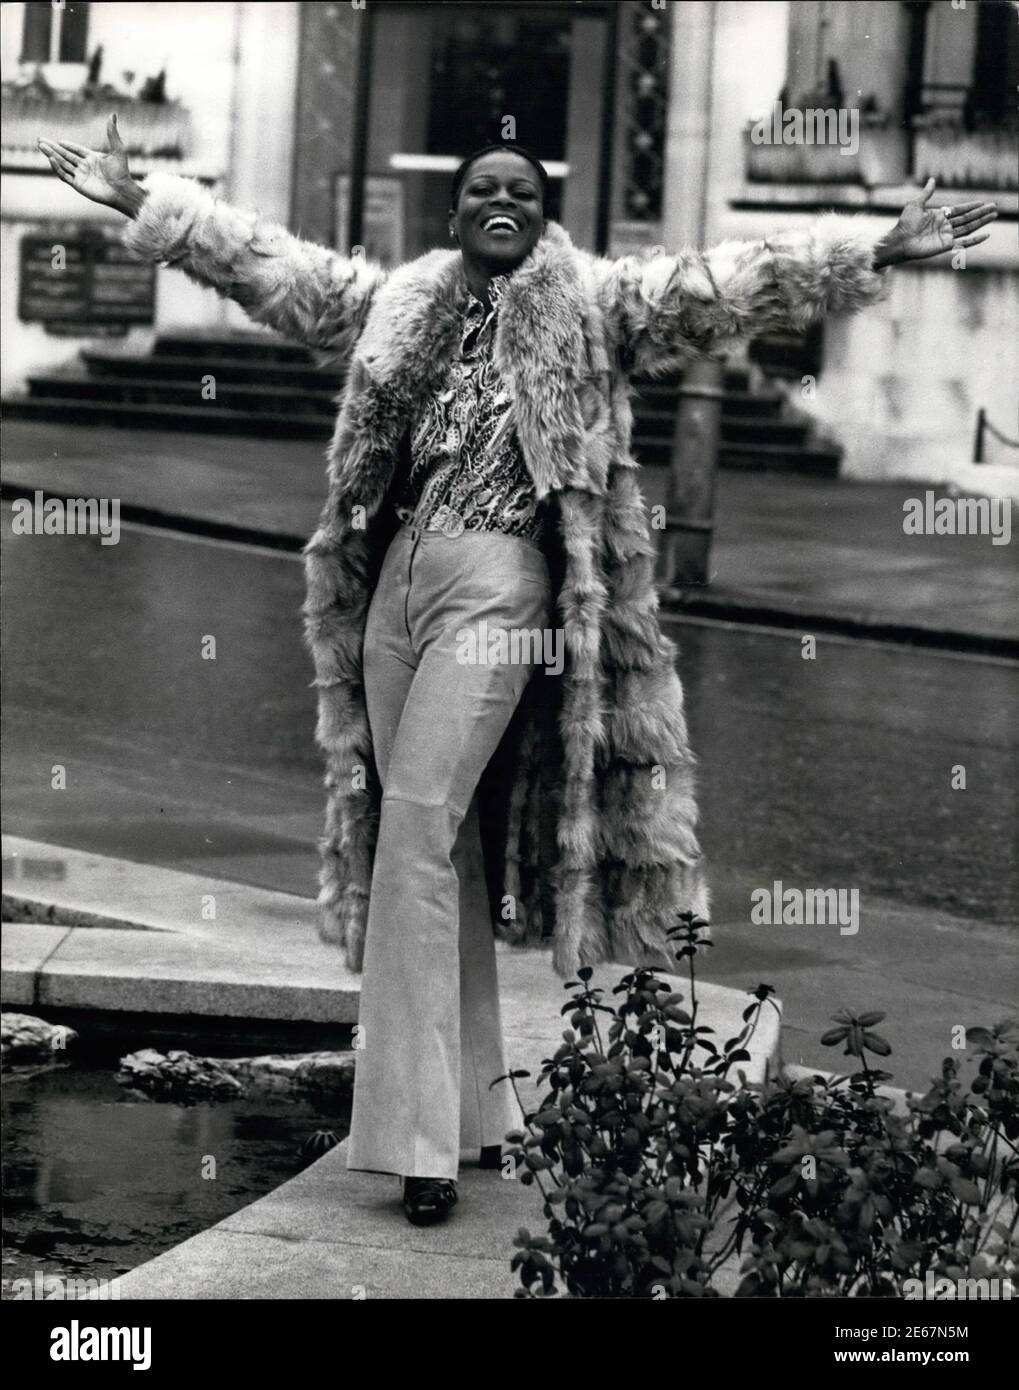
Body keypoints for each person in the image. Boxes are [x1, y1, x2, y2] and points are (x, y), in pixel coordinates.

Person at [39, 115, 996, 1226]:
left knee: (412, 827)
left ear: (546, 219)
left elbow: (726, 281)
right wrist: (133, 199)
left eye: (525, 194)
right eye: (484, 189)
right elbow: (268, 267)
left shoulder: (590, 304)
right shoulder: (396, 299)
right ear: (453, 215)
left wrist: (874, 247)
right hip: (391, 588)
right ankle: (481, 1111)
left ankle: (411, 1141)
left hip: (501, 593)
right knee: (438, 842)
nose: (504, 203)